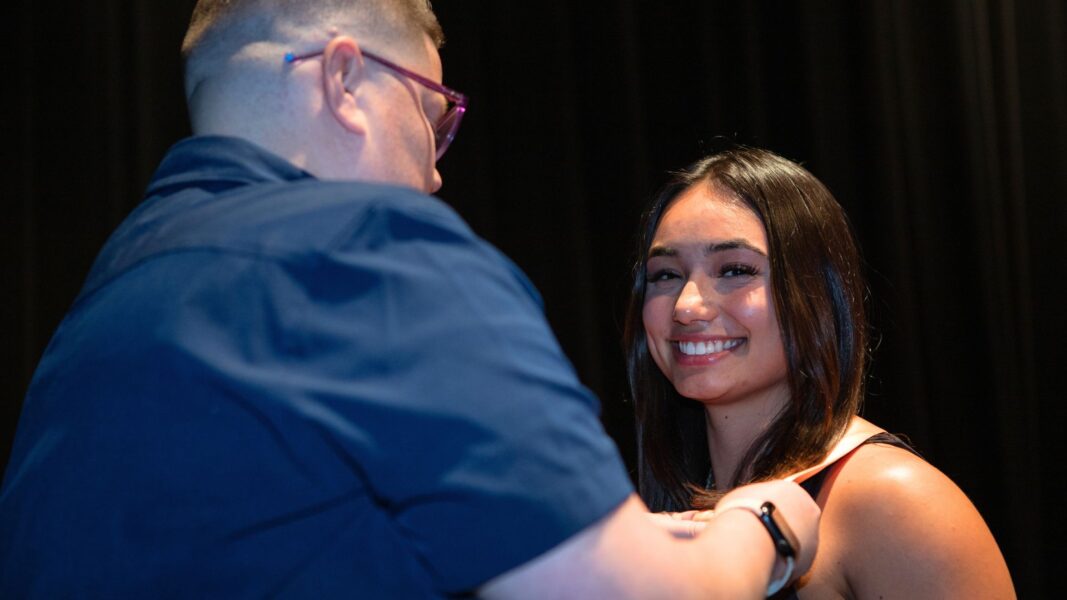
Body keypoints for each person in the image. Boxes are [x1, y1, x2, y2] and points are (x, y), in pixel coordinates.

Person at [0, 2, 821, 597]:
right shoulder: (375, 248)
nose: (435, 169)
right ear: (346, 79)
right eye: (434, 116)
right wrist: (765, 529)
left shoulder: (110, 293)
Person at [625, 146, 1016, 598]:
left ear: (816, 294)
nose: (687, 306)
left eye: (734, 270)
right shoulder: (669, 504)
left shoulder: (893, 500)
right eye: (665, 275)